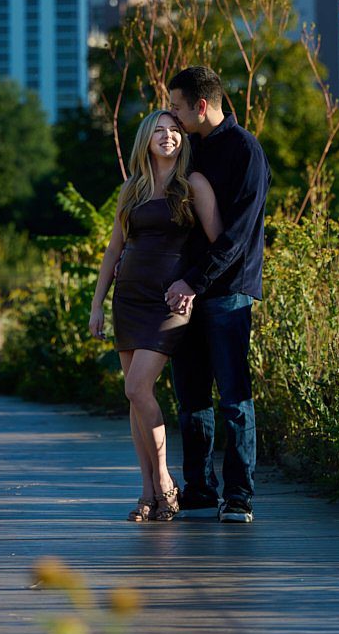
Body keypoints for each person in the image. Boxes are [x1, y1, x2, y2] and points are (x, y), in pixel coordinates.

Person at [88, 109, 222, 523]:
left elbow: (217, 243)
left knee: (137, 386)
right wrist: (97, 304)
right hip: (129, 297)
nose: (168, 137)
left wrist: (193, 286)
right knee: (135, 395)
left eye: (174, 130)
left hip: (170, 301)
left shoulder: (193, 185)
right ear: (146, 140)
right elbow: (114, 250)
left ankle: (165, 479)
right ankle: (147, 492)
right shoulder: (132, 188)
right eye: (159, 131)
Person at [166, 65, 270, 524]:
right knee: (190, 397)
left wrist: (195, 281)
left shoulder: (245, 151)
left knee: (233, 395)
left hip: (226, 292)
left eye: (176, 106)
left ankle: (239, 496)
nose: (171, 114)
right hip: (184, 291)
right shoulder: (187, 150)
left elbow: (238, 238)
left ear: (200, 106)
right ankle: (200, 489)